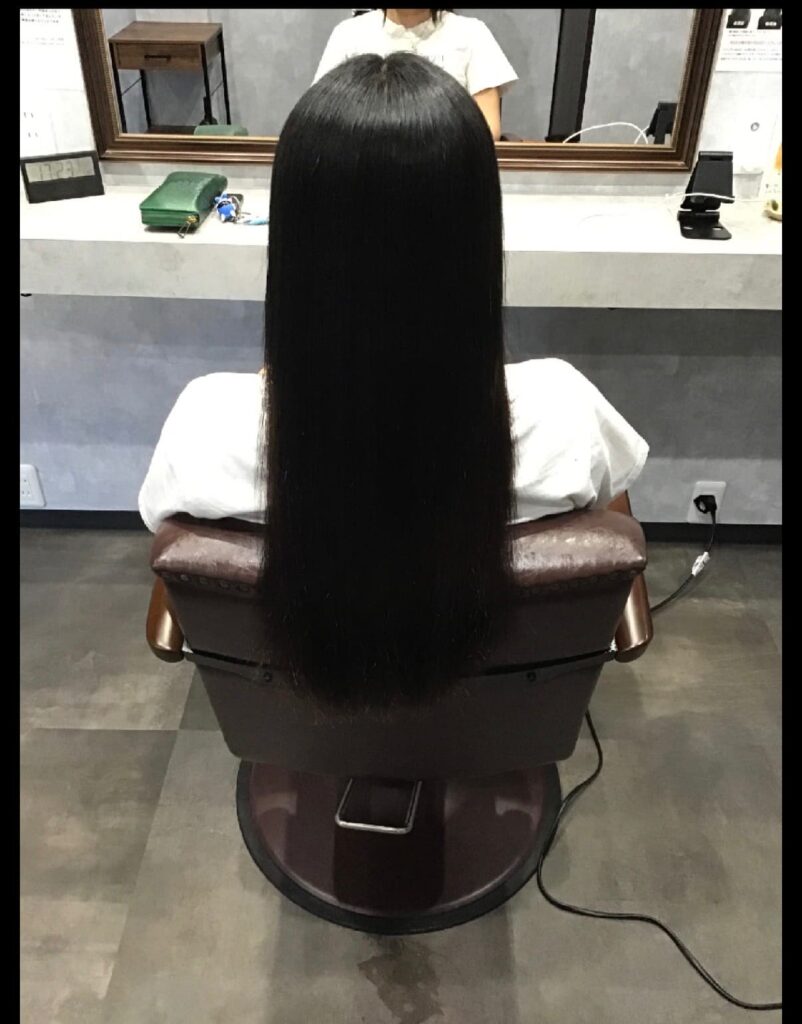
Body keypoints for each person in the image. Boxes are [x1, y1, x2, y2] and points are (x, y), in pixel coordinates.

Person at [139, 53, 647, 709]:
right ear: (476, 235)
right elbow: (613, 537)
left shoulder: (206, 423)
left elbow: (172, 544)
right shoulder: (564, 410)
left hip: (303, 724)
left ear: (296, 243)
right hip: (491, 722)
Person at [314, 9, 517, 140]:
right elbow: (320, 119)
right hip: (365, 166)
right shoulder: (348, 34)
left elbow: (488, 129)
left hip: (447, 166)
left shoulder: (471, 33)